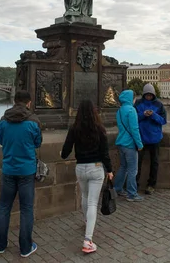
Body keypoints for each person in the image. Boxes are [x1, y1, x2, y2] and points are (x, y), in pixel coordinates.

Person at [61, 100, 114, 254]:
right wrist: (110, 170)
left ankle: (86, 221)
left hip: (81, 168)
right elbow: (105, 153)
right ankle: (88, 240)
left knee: (85, 196)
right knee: (92, 203)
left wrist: (61, 154)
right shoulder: (100, 129)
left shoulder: (74, 128)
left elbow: (65, 152)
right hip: (96, 168)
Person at [0, 91, 42, 257]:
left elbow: (1, 140)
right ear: (28, 103)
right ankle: (25, 248)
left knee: (4, 208)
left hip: (8, 168)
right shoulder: (33, 121)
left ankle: (0, 245)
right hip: (27, 171)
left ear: (15, 101)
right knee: (26, 209)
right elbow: (38, 142)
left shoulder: (3, 119)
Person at [134, 84, 167, 195]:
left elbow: (163, 121)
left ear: (153, 95)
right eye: (147, 95)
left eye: (150, 95)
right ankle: (135, 184)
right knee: (137, 162)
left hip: (155, 138)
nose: (148, 97)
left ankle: (151, 185)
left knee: (155, 162)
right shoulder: (138, 104)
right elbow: (134, 118)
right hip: (141, 137)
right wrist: (143, 114)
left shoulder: (159, 105)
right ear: (144, 95)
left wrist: (153, 115)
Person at [113, 89, 144, 201]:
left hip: (121, 142)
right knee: (132, 170)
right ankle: (132, 194)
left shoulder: (120, 110)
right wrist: (139, 144)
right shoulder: (131, 110)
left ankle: (117, 188)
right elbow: (134, 129)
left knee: (123, 167)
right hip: (130, 144)